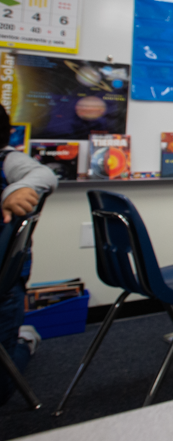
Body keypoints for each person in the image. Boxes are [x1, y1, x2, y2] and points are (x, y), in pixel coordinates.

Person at [0, 104, 58, 406]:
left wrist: (13, 190)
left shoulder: (9, 160)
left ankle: (25, 340)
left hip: (5, 284)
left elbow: (43, 175)